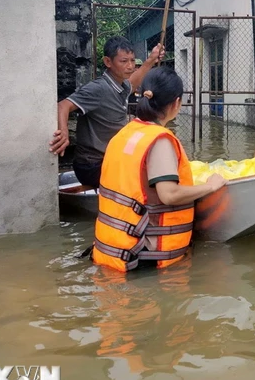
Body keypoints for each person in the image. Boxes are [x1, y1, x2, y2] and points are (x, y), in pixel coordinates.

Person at [91, 67, 226, 272]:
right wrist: (210, 186)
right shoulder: (160, 140)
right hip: (143, 257)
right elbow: (169, 195)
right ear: (177, 103)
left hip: (112, 250)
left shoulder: (127, 132)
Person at [49, 37, 164, 189]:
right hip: (92, 165)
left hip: (109, 159)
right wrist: (64, 133)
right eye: (123, 61)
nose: (130, 66)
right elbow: (63, 106)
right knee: (150, 175)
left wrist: (151, 60)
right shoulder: (98, 89)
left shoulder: (120, 85)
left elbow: (133, 82)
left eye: (132, 61)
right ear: (108, 62)